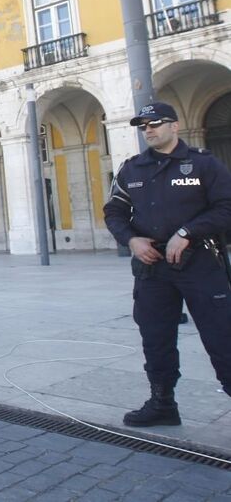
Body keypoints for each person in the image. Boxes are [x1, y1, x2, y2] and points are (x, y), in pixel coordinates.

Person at [104, 102, 231, 428]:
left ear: (174, 126)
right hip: (153, 267)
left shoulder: (203, 164)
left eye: (155, 123)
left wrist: (188, 232)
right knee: (155, 338)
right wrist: (131, 240)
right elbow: (114, 212)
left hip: (201, 262)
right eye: (143, 125)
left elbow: (226, 207)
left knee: (222, 337)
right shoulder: (131, 169)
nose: (148, 130)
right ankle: (162, 403)